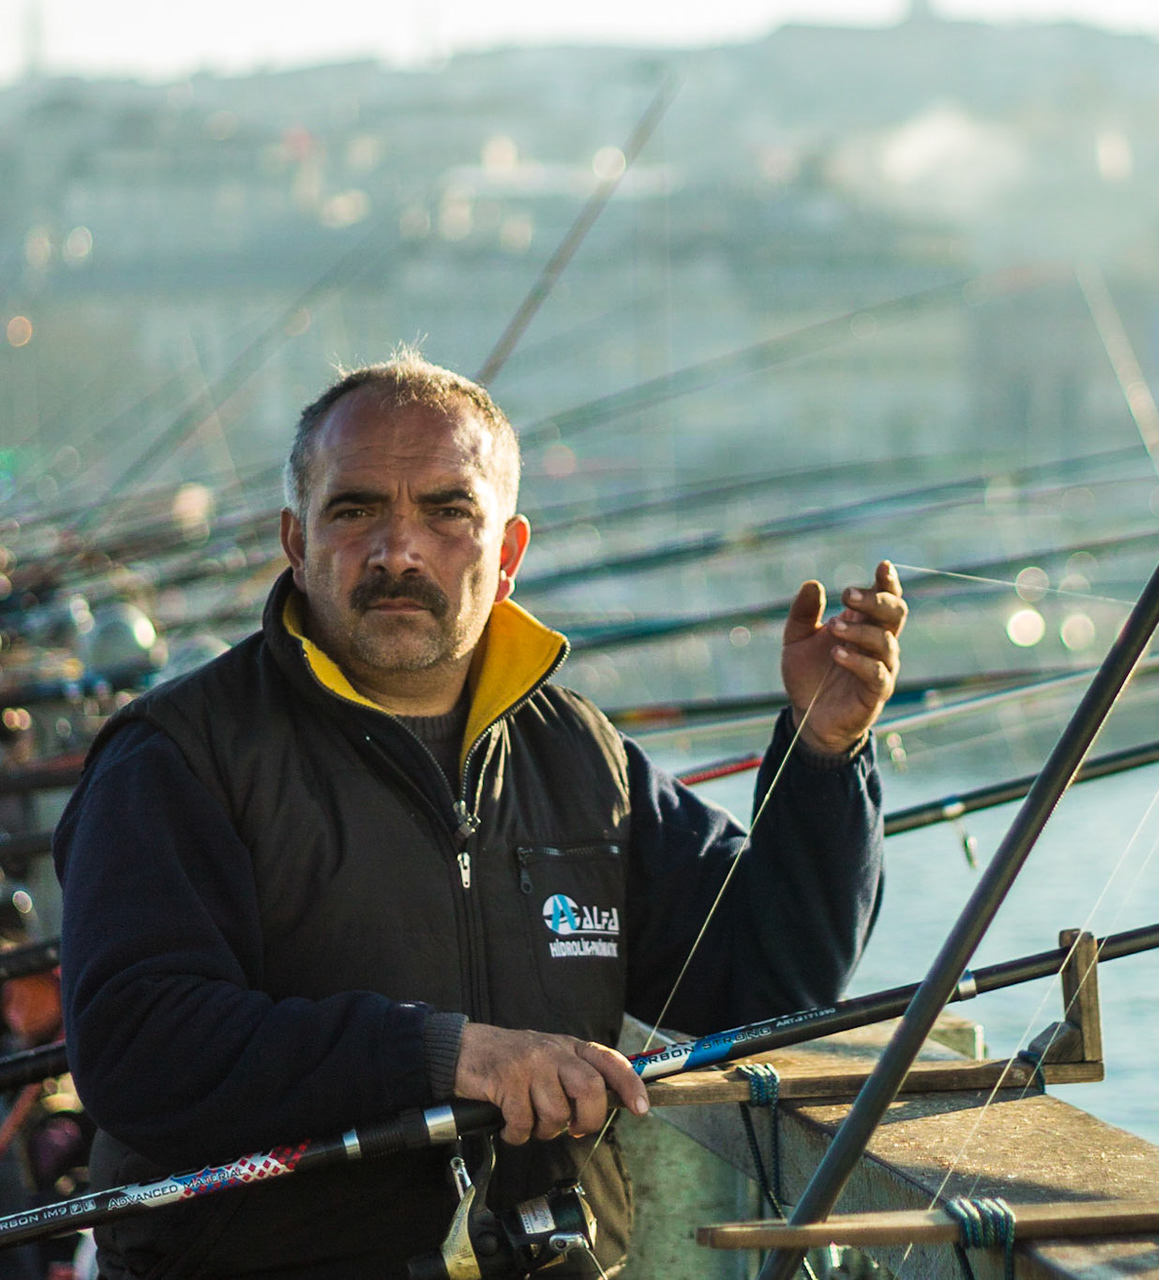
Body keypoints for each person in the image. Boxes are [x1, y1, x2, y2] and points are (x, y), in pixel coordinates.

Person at [53, 352, 903, 1278]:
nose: (398, 551)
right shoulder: (176, 755)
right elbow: (140, 1044)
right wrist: (443, 1055)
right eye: (356, 508)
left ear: (506, 556)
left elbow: (771, 985)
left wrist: (824, 756)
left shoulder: (580, 753)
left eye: (448, 511)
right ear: (295, 540)